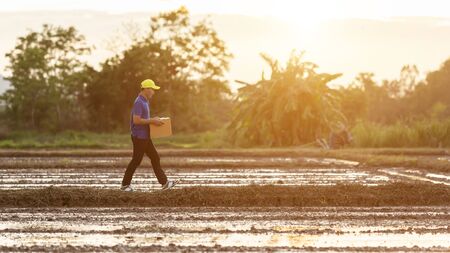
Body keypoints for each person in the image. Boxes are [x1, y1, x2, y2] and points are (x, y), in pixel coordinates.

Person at [121, 79, 177, 191]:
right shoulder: (139, 102)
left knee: (155, 158)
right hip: (139, 137)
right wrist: (152, 121)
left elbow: (144, 119)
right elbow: (136, 120)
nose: (153, 92)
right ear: (146, 89)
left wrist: (155, 121)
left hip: (145, 136)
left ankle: (164, 183)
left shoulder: (145, 101)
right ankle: (125, 185)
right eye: (152, 89)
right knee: (136, 160)